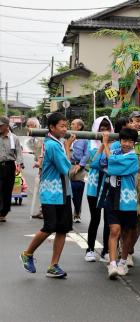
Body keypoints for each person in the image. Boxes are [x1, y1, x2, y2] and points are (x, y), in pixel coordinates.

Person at [20, 112, 74, 278]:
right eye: (62, 126)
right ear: (52, 127)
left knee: (63, 229)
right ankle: (27, 253)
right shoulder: (52, 145)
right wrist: (67, 147)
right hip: (52, 192)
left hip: (64, 191)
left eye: (66, 126)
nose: (65, 129)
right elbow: (66, 168)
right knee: (50, 227)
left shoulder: (55, 142)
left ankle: (54, 265)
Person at [97, 128, 139, 279]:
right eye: (124, 140)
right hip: (112, 196)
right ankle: (112, 264)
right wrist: (105, 146)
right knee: (114, 230)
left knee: (127, 232)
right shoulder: (114, 152)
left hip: (128, 200)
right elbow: (99, 163)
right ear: (120, 141)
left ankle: (123, 261)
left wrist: (106, 145)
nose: (126, 144)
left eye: (130, 141)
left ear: (134, 143)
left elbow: (113, 165)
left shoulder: (133, 158)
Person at [85, 116, 114, 262]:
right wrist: (103, 145)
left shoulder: (115, 146)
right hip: (94, 185)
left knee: (108, 219)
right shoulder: (91, 145)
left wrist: (108, 145)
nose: (104, 132)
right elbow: (94, 163)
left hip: (109, 184)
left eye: (107, 129)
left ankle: (106, 251)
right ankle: (89, 249)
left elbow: (113, 162)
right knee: (95, 218)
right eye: (101, 129)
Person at [0, 116, 23, 222]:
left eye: (1, 125)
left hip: (9, 166)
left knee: (7, 190)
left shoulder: (14, 138)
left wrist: (19, 164)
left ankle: (4, 212)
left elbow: (18, 152)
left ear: (6, 126)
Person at [69, 119, 89, 223]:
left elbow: (86, 154)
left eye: (73, 124)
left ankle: (77, 214)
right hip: (69, 165)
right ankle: (71, 212)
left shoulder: (84, 139)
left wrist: (81, 165)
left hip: (79, 167)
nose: (71, 125)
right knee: (70, 189)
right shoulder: (67, 136)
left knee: (79, 190)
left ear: (79, 127)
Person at [26, 117, 43, 219]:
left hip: (46, 167)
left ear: (35, 126)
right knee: (41, 189)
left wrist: (39, 162)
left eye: (29, 126)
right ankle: (42, 209)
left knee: (45, 189)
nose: (28, 128)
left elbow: (44, 153)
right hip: (40, 167)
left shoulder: (43, 137)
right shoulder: (32, 139)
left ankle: (45, 210)